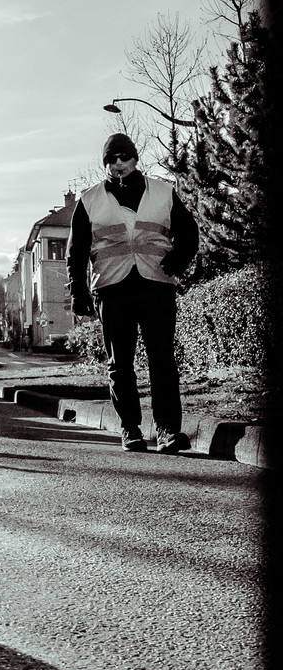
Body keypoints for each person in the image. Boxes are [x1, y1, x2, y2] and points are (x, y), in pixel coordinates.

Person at [67, 132, 199, 453]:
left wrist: (178, 260)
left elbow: (189, 232)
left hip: (156, 285)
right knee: (120, 363)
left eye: (123, 156)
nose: (117, 163)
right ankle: (130, 428)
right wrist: (78, 291)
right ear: (106, 165)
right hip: (112, 290)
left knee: (162, 360)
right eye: (110, 159)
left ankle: (167, 430)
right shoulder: (89, 200)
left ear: (135, 158)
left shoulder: (164, 193)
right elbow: (77, 251)